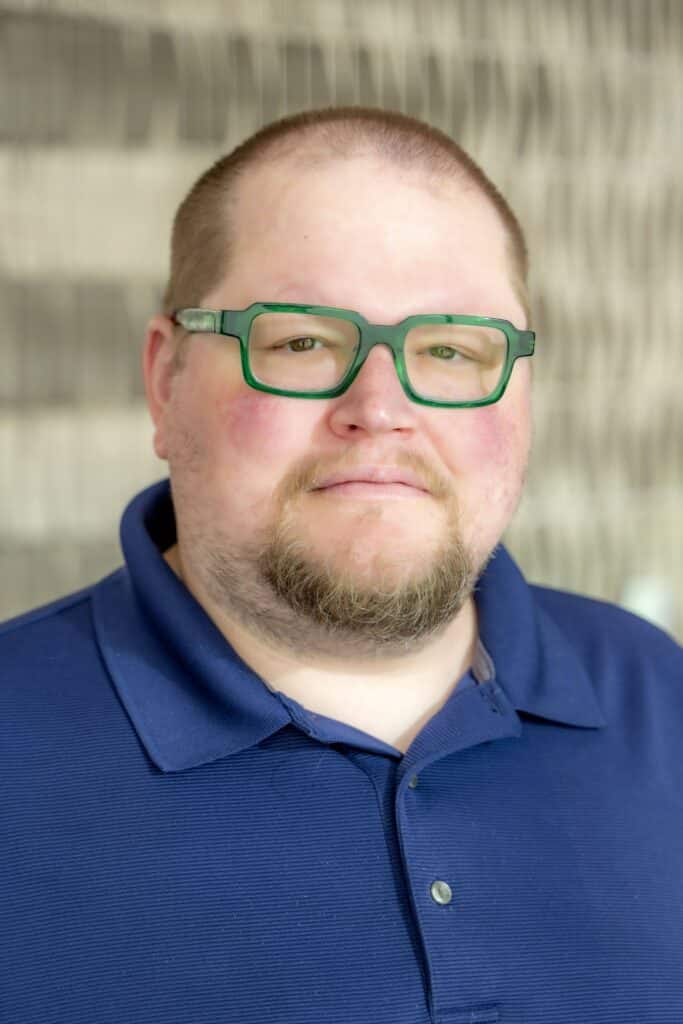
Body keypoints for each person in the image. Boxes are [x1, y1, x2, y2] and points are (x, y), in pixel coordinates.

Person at [1, 107, 681, 1024]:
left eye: (449, 350)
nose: (380, 407)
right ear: (166, 382)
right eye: (301, 341)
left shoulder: (658, 694)